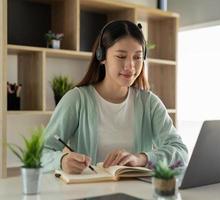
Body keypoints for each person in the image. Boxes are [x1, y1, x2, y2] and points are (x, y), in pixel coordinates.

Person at [42, 20, 188, 174]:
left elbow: (180, 151)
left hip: (138, 194)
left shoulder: (150, 103)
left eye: (137, 57)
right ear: (102, 56)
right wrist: (61, 161)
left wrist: (142, 159)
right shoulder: (76, 100)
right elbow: (41, 153)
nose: (130, 66)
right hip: (88, 194)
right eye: (121, 56)